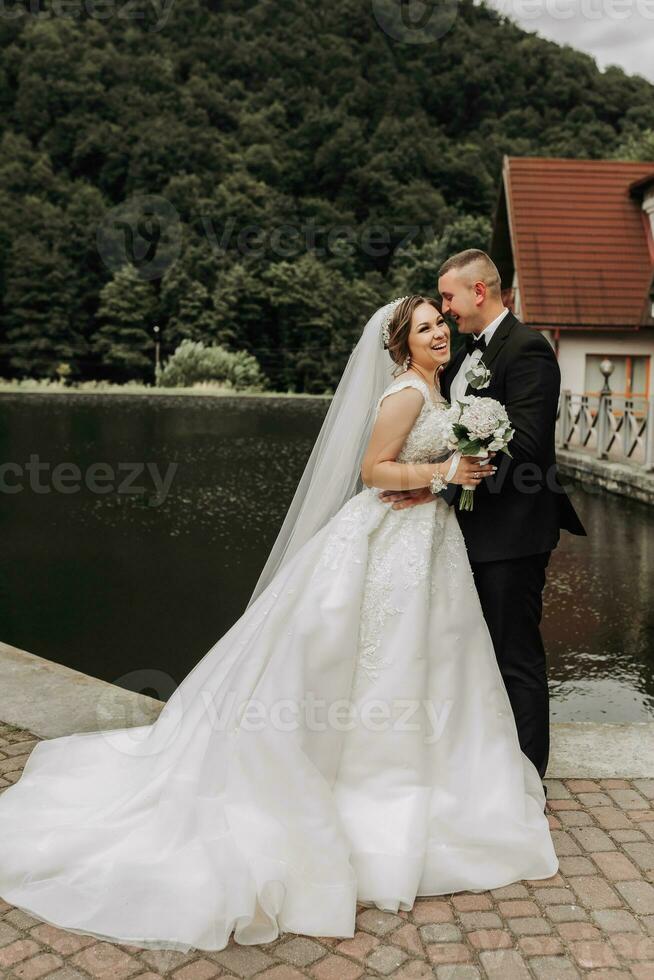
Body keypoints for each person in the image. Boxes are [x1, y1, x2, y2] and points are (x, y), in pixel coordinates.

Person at [0, 295, 558, 954]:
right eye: (425, 328)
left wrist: (461, 464)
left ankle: (438, 774)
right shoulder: (405, 394)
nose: (438, 333)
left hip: (428, 542)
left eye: (441, 323)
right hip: (391, 545)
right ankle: (369, 781)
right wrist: (444, 471)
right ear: (402, 345)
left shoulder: (443, 391)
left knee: (435, 658)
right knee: (378, 660)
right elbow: (373, 471)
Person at [381, 252, 586, 786]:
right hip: (467, 531)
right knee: (473, 655)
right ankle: (483, 767)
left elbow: (528, 446)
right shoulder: (469, 353)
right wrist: (438, 481)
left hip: (514, 534)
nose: (445, 311)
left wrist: (442, 481)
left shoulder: (527, 349)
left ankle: (527, 780)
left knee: (515, 657)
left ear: (478, 291)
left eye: (448, 299)